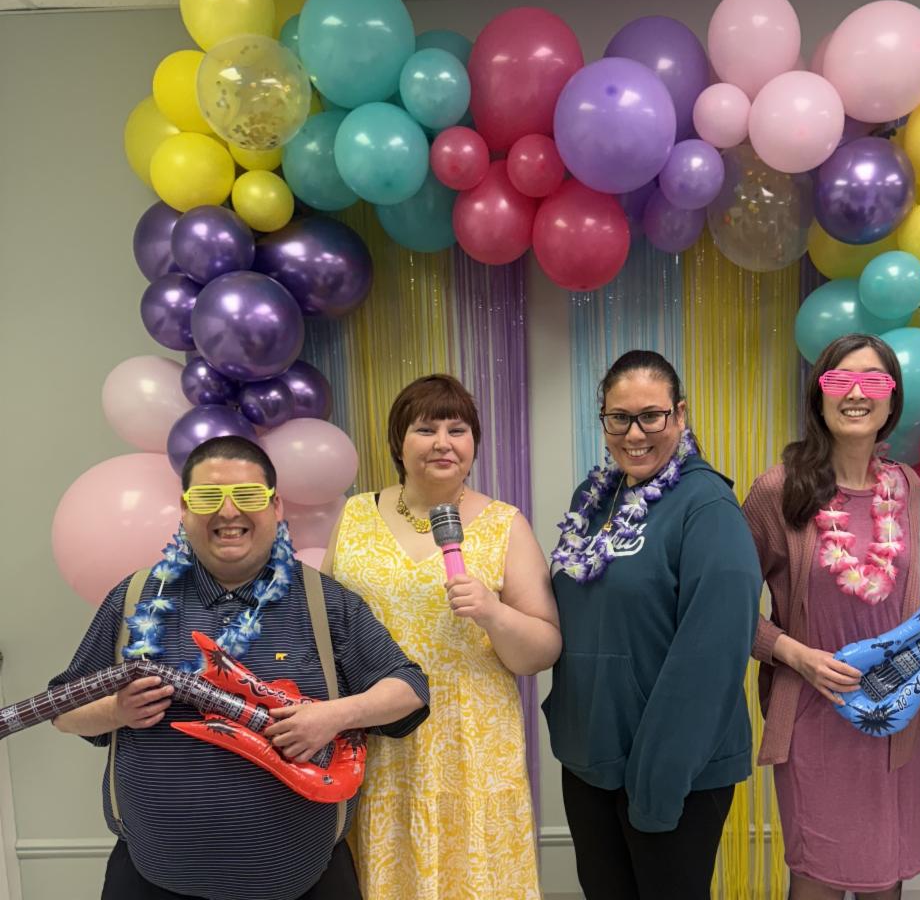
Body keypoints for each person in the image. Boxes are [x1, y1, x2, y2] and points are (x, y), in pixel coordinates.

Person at [50, 435, 430, 900]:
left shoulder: (325, 602)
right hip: (152, 877)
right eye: (208, 498)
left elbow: (409, 687)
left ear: (276, 508)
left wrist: (331, 717)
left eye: (248, 496)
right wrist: (117, 712)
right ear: (185, 510)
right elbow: (65, 709)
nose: (228, 513)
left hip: (302, 878)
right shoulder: (134, 597)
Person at [325, 374, 560, 900]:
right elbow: (324, 625)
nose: (442, 442)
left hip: (470, 738)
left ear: (473, 444)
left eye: (457, 429)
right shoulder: (355, 514)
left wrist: (494, 613)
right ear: (398, 443)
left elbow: (542, 650)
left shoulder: (504, 524)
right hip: (378, 732)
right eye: (425, 428)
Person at [543, 350, 761, 900]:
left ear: (679, 416)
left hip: (673, 769)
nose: (634, 433)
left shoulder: (707, 504)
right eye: (619, 417)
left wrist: (658, 779)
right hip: (593, 759)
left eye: (651, 416)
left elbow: (710, 658)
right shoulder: (592, 500)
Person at [743, 334, 920, 900]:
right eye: (839, 381)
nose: (856, 394)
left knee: (888, 873)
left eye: (874, 381)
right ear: (819, 395)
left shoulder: (910, 488)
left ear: (892, 400)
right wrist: (794, 654)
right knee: (818, 875)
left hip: (898, 715)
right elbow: (722, 605)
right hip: (816, 714)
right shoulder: (777, 491)